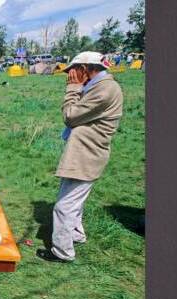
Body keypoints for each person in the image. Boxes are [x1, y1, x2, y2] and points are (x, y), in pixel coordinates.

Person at [36, 51, 124, 263]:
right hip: (86, 152)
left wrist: (73, 89)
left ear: (85, 68)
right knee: (75, 201)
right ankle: (76, 235)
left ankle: (62, 252)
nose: (70, 75)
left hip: (86, 154)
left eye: (73, 70)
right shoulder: (99, 86)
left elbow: (70, 116)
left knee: (64, 206)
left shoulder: (104, 90)